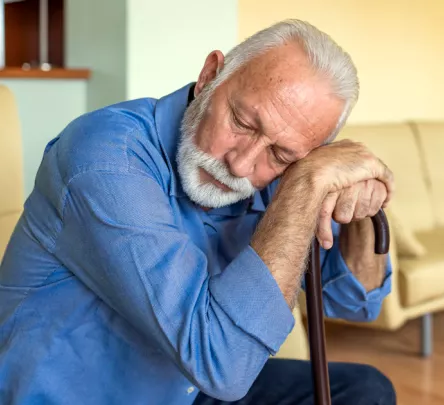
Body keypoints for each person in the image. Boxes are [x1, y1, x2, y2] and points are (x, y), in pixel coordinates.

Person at [0, 19, 396, 405]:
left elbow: (356, 302)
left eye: (280, 154)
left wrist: (357, 200)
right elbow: (221, 366)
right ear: (210, 76)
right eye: (242, 122)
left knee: (365, 391)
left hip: (187, 386)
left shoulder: (289, 174)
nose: (241, 165)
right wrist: (307, 183)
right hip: (91, 392)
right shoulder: (106, 156)